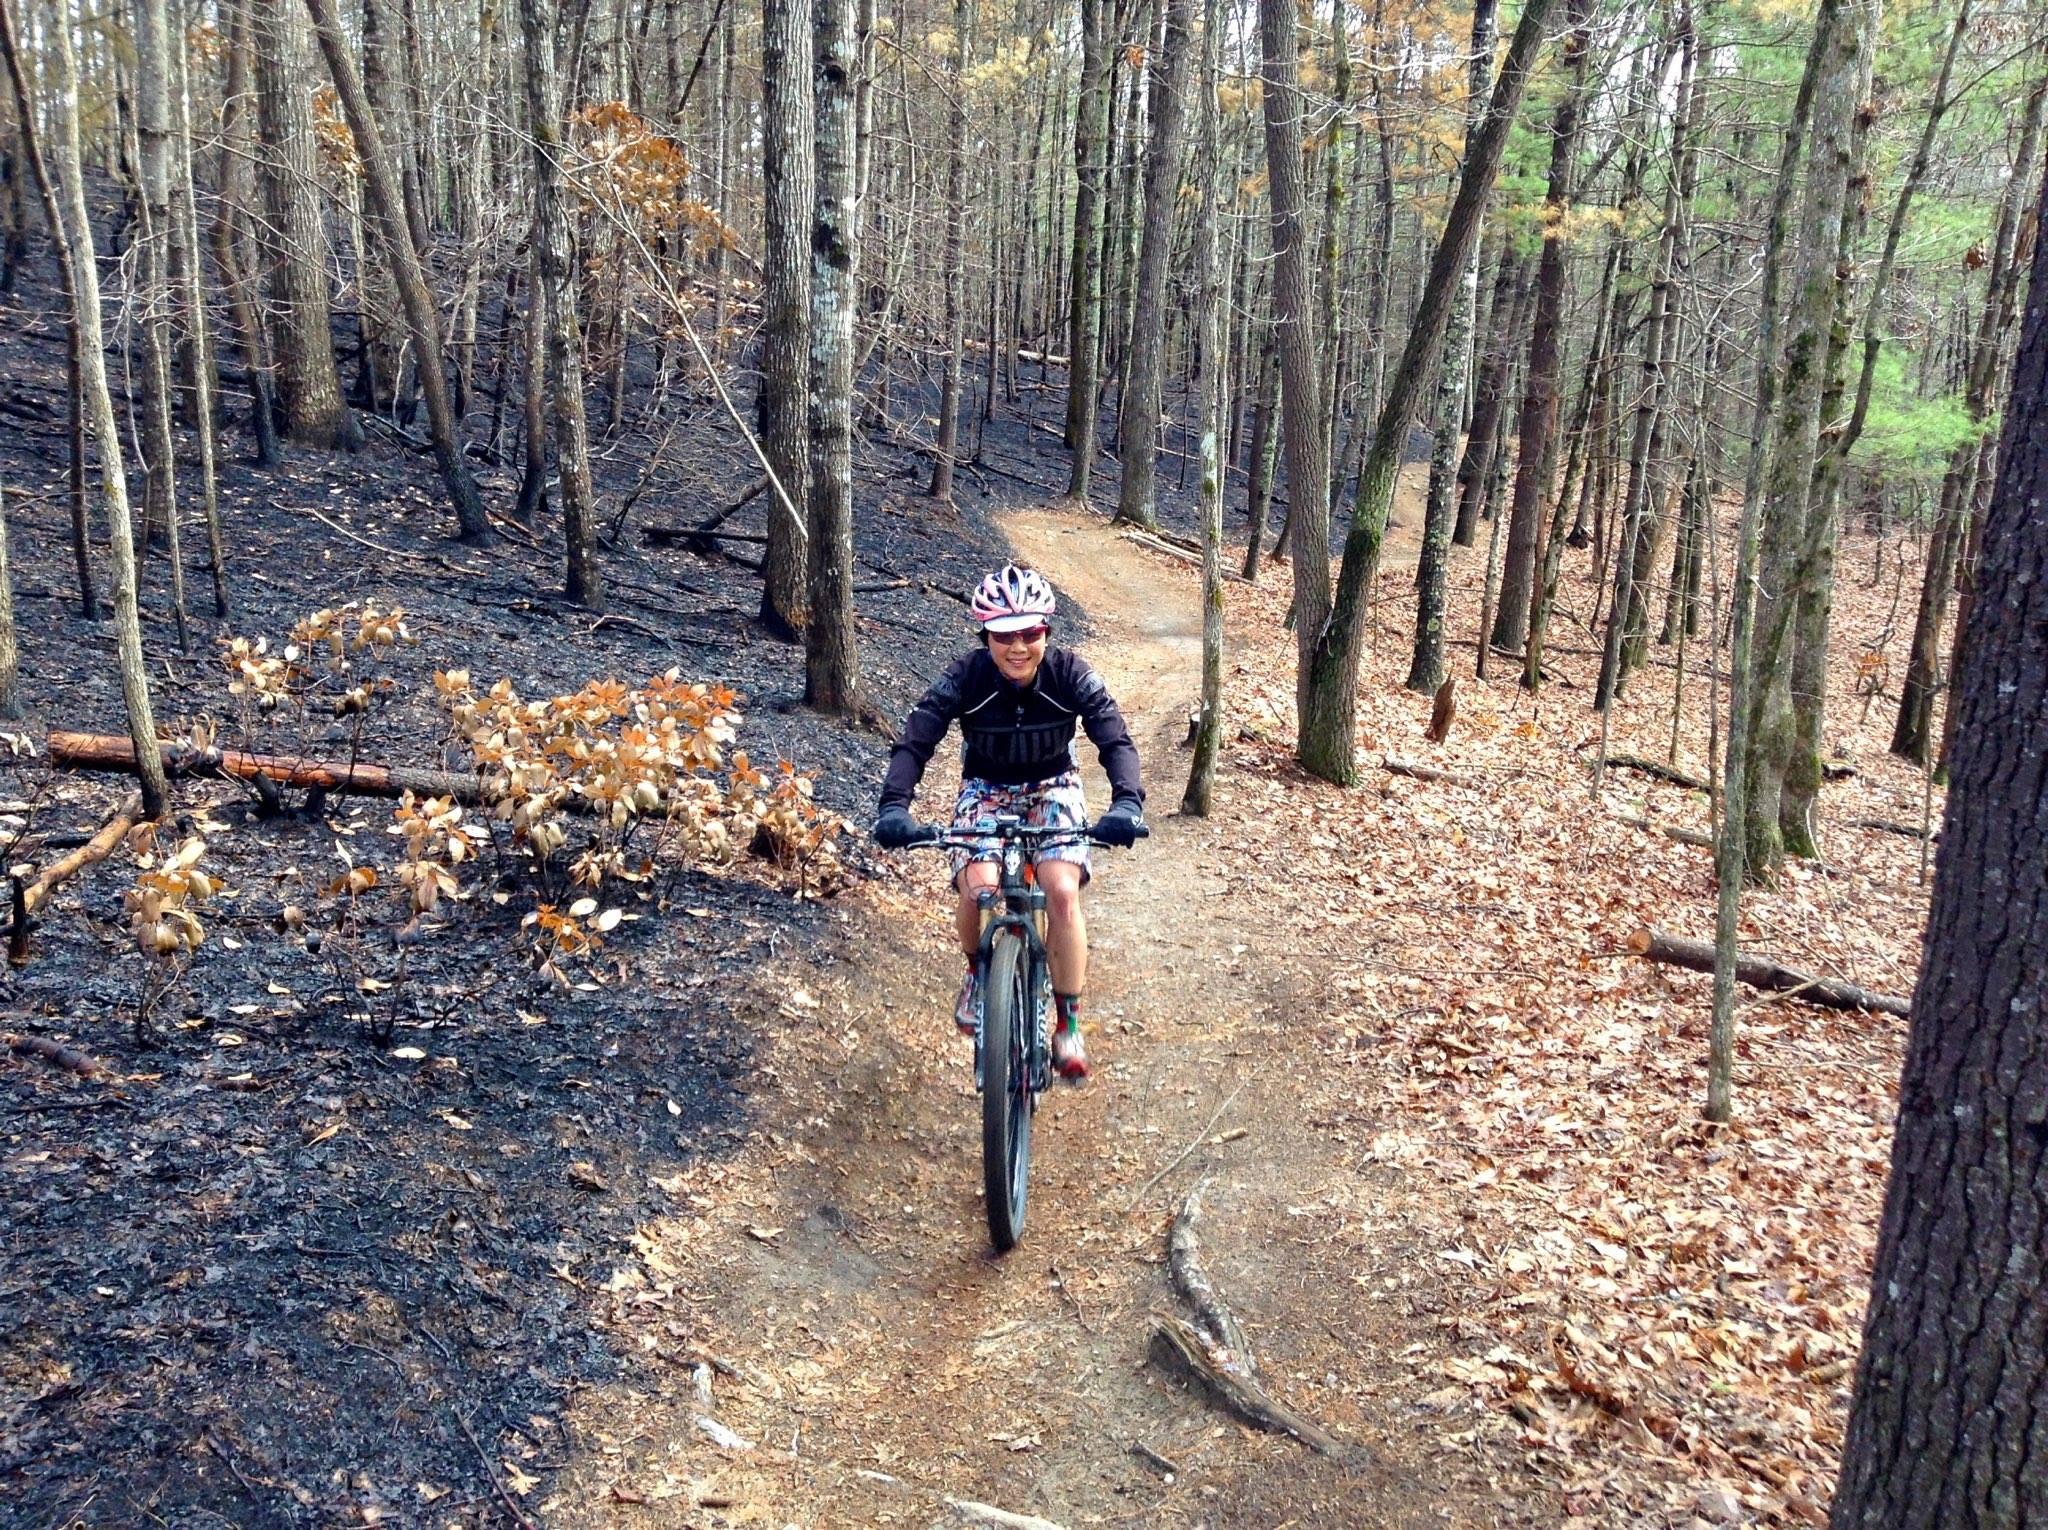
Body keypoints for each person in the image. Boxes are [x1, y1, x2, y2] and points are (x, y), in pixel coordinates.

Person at [873, 563, 1145, 1082]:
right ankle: (980, 975)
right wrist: (894, 807)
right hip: (986, 790)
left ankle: (1067, 1022)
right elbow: (916, 737)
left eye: (1029, 634)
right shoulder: (965, 677)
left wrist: (1127, 803)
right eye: (1004, 636)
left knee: (1061, 889)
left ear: (1046, 631)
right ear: (986, 637)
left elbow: (1114, 737)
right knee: (978, 887)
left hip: (1052, 787)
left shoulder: (1070, 674)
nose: (1017, 647)